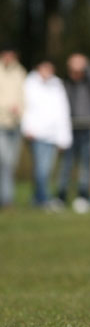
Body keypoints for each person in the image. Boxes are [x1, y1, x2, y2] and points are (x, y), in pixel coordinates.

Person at [21, 61, 72, 209]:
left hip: (53, 134)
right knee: (41, 169)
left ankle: (37, 198)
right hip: (36, 133)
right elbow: (26, 107)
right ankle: (43, 199)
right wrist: (27, 128)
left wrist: (63, 136)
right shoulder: (29, 84)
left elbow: (62, 110)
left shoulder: (57, 85)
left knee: (47, 169)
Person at [56, 53, 90, 213]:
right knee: (65, 165)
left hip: (87, 127)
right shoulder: (64, 84)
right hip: (68, 129)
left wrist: (86, 65)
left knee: (85, 165)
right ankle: (61, 196)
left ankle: (83, 196)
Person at [0, 49, 27, 209]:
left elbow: (24, 97)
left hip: (16, 124)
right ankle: (6, 199)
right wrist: (8, 107)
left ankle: (7, 199)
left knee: (11, 163)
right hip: (1, 123)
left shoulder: (20, 72)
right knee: (3, 161)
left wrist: (21, 111)